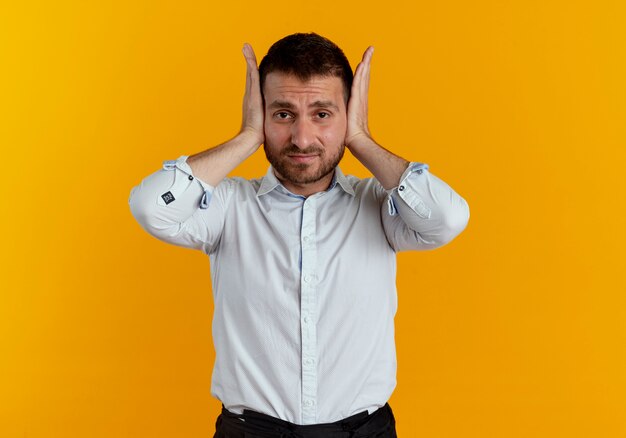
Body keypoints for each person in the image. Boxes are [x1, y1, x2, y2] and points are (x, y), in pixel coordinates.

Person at [129, 32, 470, 438]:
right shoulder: (227, 207)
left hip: (363, 431)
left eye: (323, 114)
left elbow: (447, 218)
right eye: (283, 114)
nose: (302, 139)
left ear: (348, 114)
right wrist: (246, 137)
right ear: (262, 113)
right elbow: (152, 207)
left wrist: (360, 139)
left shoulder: (381, 207)